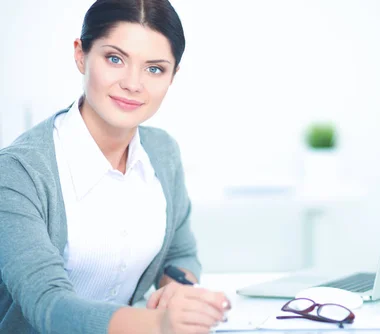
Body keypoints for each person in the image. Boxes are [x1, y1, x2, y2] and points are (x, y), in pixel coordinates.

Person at [0, 1, 231, 333]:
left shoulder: (162, 152)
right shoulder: (18, 173)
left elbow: (181, 254)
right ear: (81, 55)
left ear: (173, 76)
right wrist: (158, 323)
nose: (133, 84)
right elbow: (48, 305)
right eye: (115, 59)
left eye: (155, 69)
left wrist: (178, 288)